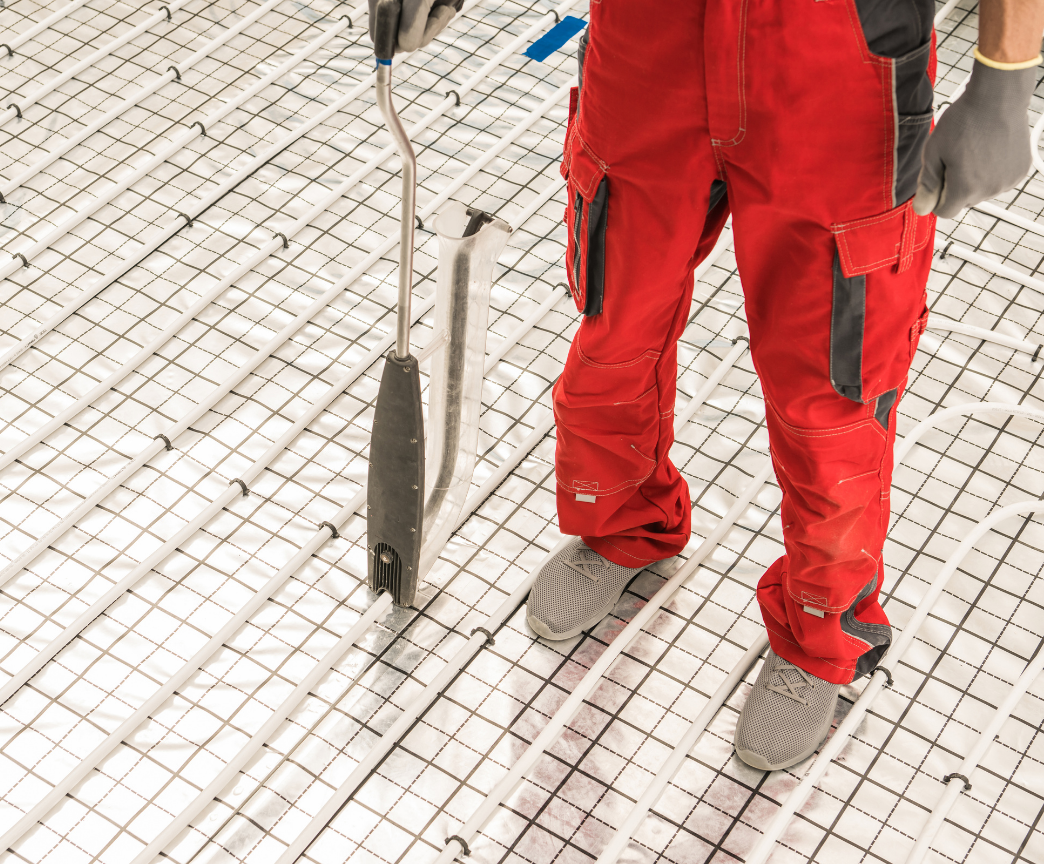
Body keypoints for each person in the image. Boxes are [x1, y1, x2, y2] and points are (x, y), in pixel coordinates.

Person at [377, 0, 1044, 771]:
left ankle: (823, 629)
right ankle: (622, 522)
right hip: (647, 37)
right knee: (616, 321)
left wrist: (1005, 73)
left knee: (832, 387)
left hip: (837, 55)